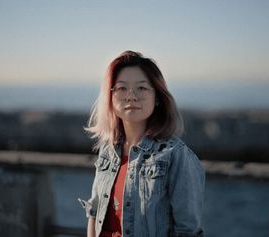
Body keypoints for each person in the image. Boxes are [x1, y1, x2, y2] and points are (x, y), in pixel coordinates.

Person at [78, 51, 205, 237]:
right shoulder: (108, 151)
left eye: (142, 88)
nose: (131, 96)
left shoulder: (175, 156)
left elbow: (188, 232)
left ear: (158, 98)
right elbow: (94, 213)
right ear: (111, 98)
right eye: (121, 88)